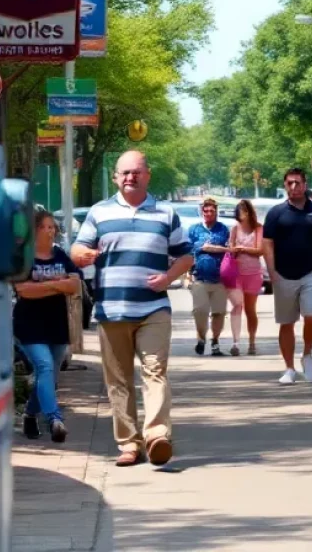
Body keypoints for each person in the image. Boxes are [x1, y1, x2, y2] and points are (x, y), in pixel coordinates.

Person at [71, 150, 193, 467]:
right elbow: (77, 249)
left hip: (154, 309)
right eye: (124, 173)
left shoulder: (166, 214)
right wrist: (82, 254)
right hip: (111, 309)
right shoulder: (99, 213)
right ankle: (128, 443)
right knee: (119, 380)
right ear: (115, 177)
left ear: (147, 175)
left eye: (136, 172)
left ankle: (156, 437)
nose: (130, 177)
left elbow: (185, 256)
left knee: (155, 372)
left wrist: (168, 277)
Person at [13, 210, 82, 443]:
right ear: (35, 230)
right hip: (29, 324)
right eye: (46, 227)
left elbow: (74, 285)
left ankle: (30, 415)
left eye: (53, 227)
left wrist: (43, 285)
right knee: (43, 367)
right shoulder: (24, 257)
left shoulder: (60, 255)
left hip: (56, 323)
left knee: (49, 376)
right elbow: (23, 290)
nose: (52, 231)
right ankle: (54, 419)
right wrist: (58, 284)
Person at [262, 167, 312, 385]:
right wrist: (271, 270)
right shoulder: (276, 213)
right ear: (285, 186)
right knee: (287, 322)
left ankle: (308, 354)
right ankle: (289, 368)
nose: (294, 187)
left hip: (311, 272)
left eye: (298, 183)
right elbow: (267, 243)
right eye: (290, 183)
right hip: (283, 275)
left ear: (305, 185)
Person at [187, 197, 231, 356]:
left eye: (212, 211)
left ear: (216, 212)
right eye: (206, 211)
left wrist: (220, 249)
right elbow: (194, 250)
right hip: (199, 277)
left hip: (220, 279)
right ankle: (201, 338)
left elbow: (229, 248)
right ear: (201, 212)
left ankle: (215, 342)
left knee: (219, 312)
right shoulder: (194, 230)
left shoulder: (223, 229)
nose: (209, 213)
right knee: (200, 311)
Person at [227, 199, 264, 356]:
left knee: (250, 310)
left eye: (246, 211)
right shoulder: (235, 229)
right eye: (240, 211)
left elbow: (260, 250)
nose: (243, 214)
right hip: (237, 273)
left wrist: (243, 248)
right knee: (237, 307)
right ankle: (235, 343)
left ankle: (252, 342)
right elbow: (230, 248)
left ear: (250, 212)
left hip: (253, 273)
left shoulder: (258, 228)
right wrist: (234, 250)